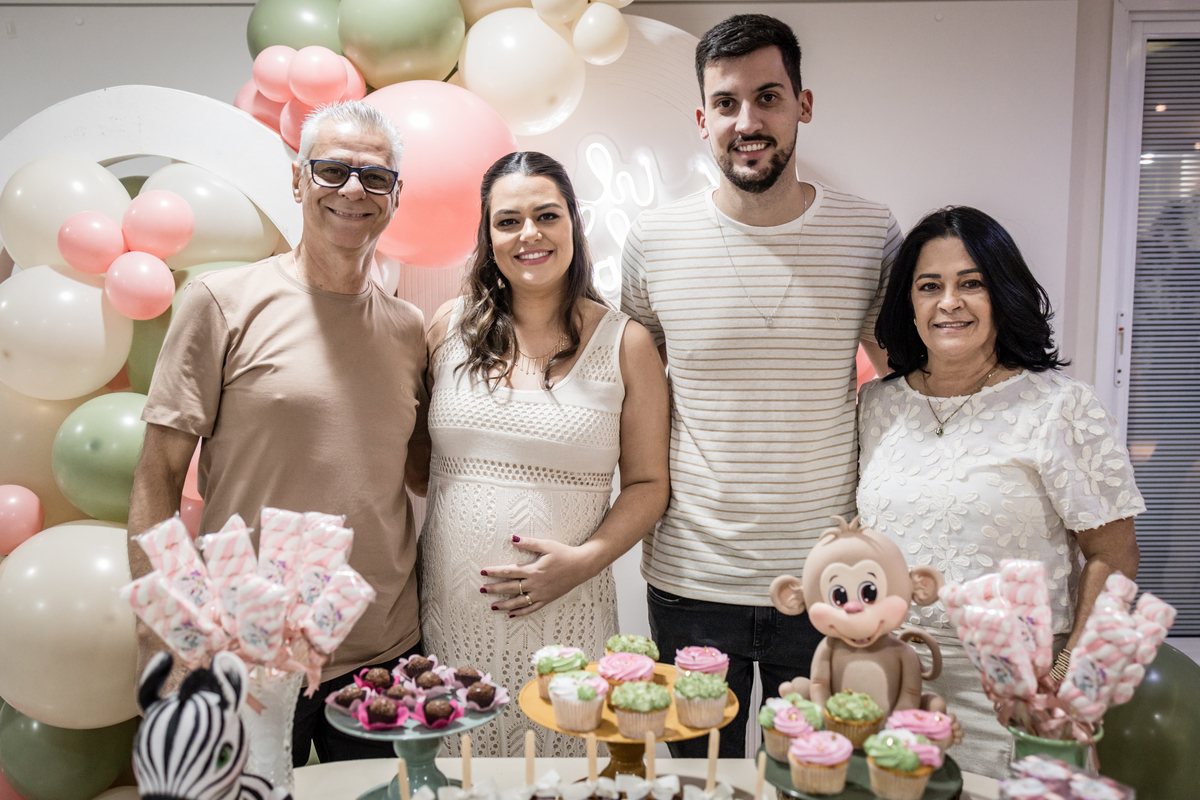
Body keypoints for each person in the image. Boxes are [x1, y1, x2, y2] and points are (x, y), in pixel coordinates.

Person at [620, 14, 898, 757]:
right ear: (702, 118)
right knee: (693, 775)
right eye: (728, 103)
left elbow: (910, 385)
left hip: (827, 583)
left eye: (769, 98)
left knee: (809, 774)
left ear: (804, 105)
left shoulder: (871, 235)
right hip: (691, 578)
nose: (749, 121)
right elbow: (632, 392)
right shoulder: (653, 240)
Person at [127, 101, 432, 765]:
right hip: (247, 651)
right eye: (332, 171)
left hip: (381, 650)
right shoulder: (220, 303)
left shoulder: (411, 331)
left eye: (375, 177)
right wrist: (165, 638)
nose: (354, 190)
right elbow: (155, 478)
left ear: (396, 196)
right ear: (297, 181)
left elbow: (417, 472)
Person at [857, 205, 1143, 777]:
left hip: (1014, 694)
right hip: (886, 682)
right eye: (929, 286)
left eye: (971, 284)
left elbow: (1114, 556)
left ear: (1003, 294)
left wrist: (1067, 678)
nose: (949, 302)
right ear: (908, 304)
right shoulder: (876, 405)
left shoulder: (1061, 407)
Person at [419, 151, 670, 757]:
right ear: (487, 235)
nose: (528, 234)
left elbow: (647, 485)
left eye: (546, 215)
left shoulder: (626, 342)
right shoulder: (445, 328)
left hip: (570, 612)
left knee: (563, 773)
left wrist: (582, 561)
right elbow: (414, 464)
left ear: (573, 225)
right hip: (451, 618)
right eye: (507, 221)